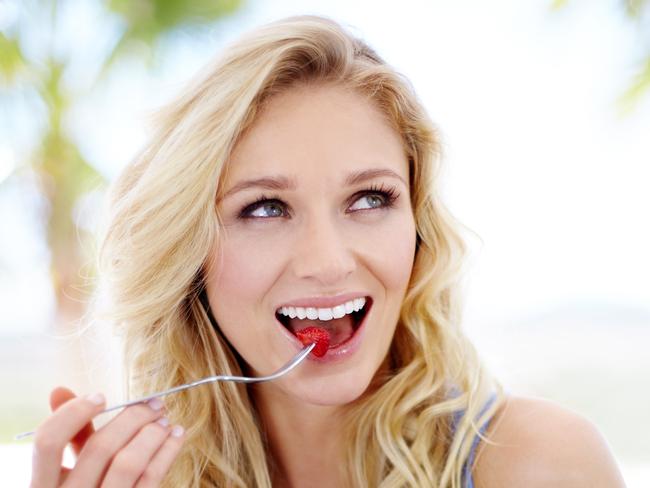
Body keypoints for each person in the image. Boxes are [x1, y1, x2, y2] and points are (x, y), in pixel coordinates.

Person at [30, 15, 626, 488]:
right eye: (264, 208)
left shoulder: (543, 465)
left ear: (417, 227)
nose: (328, 261)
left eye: (369, 199)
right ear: (188, 256)